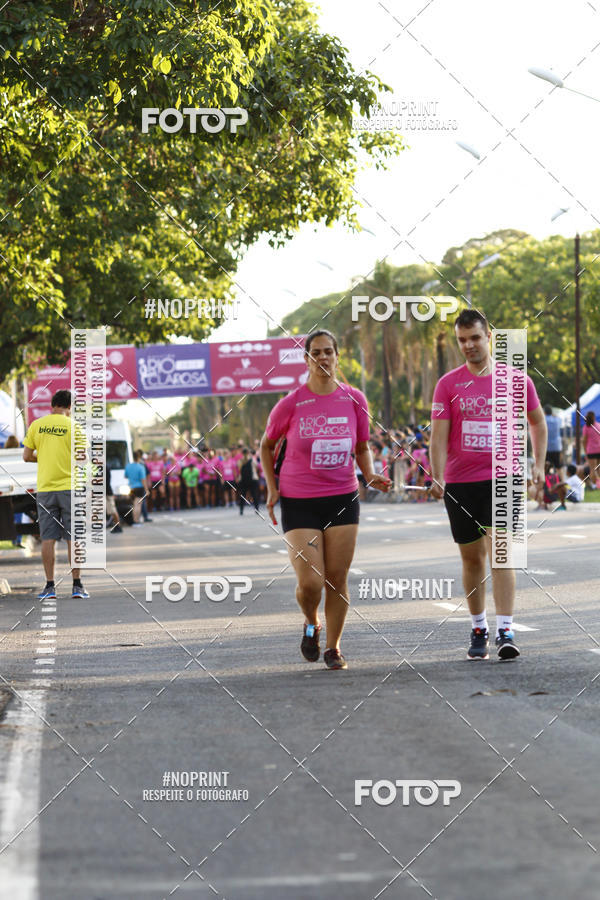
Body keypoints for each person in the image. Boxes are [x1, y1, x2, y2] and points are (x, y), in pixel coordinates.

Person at [260, 329, 391, 670]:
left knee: (337, 576)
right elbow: (266, 445)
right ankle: (311, 622)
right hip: (299, 499)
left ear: (337, 356)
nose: (322, 358)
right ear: (306, 359)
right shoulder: (290, 404)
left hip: (343, 496)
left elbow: (361, 447)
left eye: (328, 352)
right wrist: (272, 488)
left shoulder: (354, 399)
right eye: (315, 352)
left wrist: (371, 473)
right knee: (310, 582)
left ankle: (333, 647)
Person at [430, 309, 547, 661]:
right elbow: (438, 437)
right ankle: (478, 625)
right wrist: (437, 475)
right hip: (462, 483)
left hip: (505, 479)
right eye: (462, 340)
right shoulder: (448, 384)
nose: (468, 345)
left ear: (490, 338)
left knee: (503, 553)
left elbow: (537, 423)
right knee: (472, 559)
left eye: (475, 338)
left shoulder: (516, 381)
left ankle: (505, 629)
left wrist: (538, 465)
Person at [22, 389, 90, 600]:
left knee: (48, 538)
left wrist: (44, 457)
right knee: (74, 538)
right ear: (70, 407)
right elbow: (83, 458)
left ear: (53, 405)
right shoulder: (75, 427)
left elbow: (26, 456)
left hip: (45, 489)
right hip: (71, 488)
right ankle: (77, 585)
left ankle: (49, 586)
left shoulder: (37, 425)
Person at [124, 450, 148, 525]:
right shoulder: (140, 467)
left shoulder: (128, 466)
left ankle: (134, 520)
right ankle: (136, 520)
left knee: (134, 504)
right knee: (138, 505)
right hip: (139, 487)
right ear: (138, 457)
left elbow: (125, 476)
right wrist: (146, 489)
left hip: (131, 487)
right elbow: (143, 479)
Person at [237, 448, 260, 514]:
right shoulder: (252, 460)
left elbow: (239, 468)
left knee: (243, 495)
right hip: (253, 479)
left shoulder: (240, 461)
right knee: (254, 495)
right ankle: (257, 509)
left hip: (243, 480)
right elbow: (256, 467)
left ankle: (241, 510)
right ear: (248, 453)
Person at [544, 404, 564, 478]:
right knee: (559, 466)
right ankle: (563, 483)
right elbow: (560, 419)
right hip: (556, 446)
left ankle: (545, 483)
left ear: (544, 412)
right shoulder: (557, 420)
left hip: (546, 446)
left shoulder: (544, 419)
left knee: (545, 465)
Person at [582, 410, 600, 489]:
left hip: (591, 451)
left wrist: (585, 451)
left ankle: (594, 485)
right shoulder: (598, 425)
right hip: (599, 449)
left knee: (592, 469)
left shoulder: (586, 428)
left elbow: (584, 441)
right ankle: (598, 484)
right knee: (598, 468)